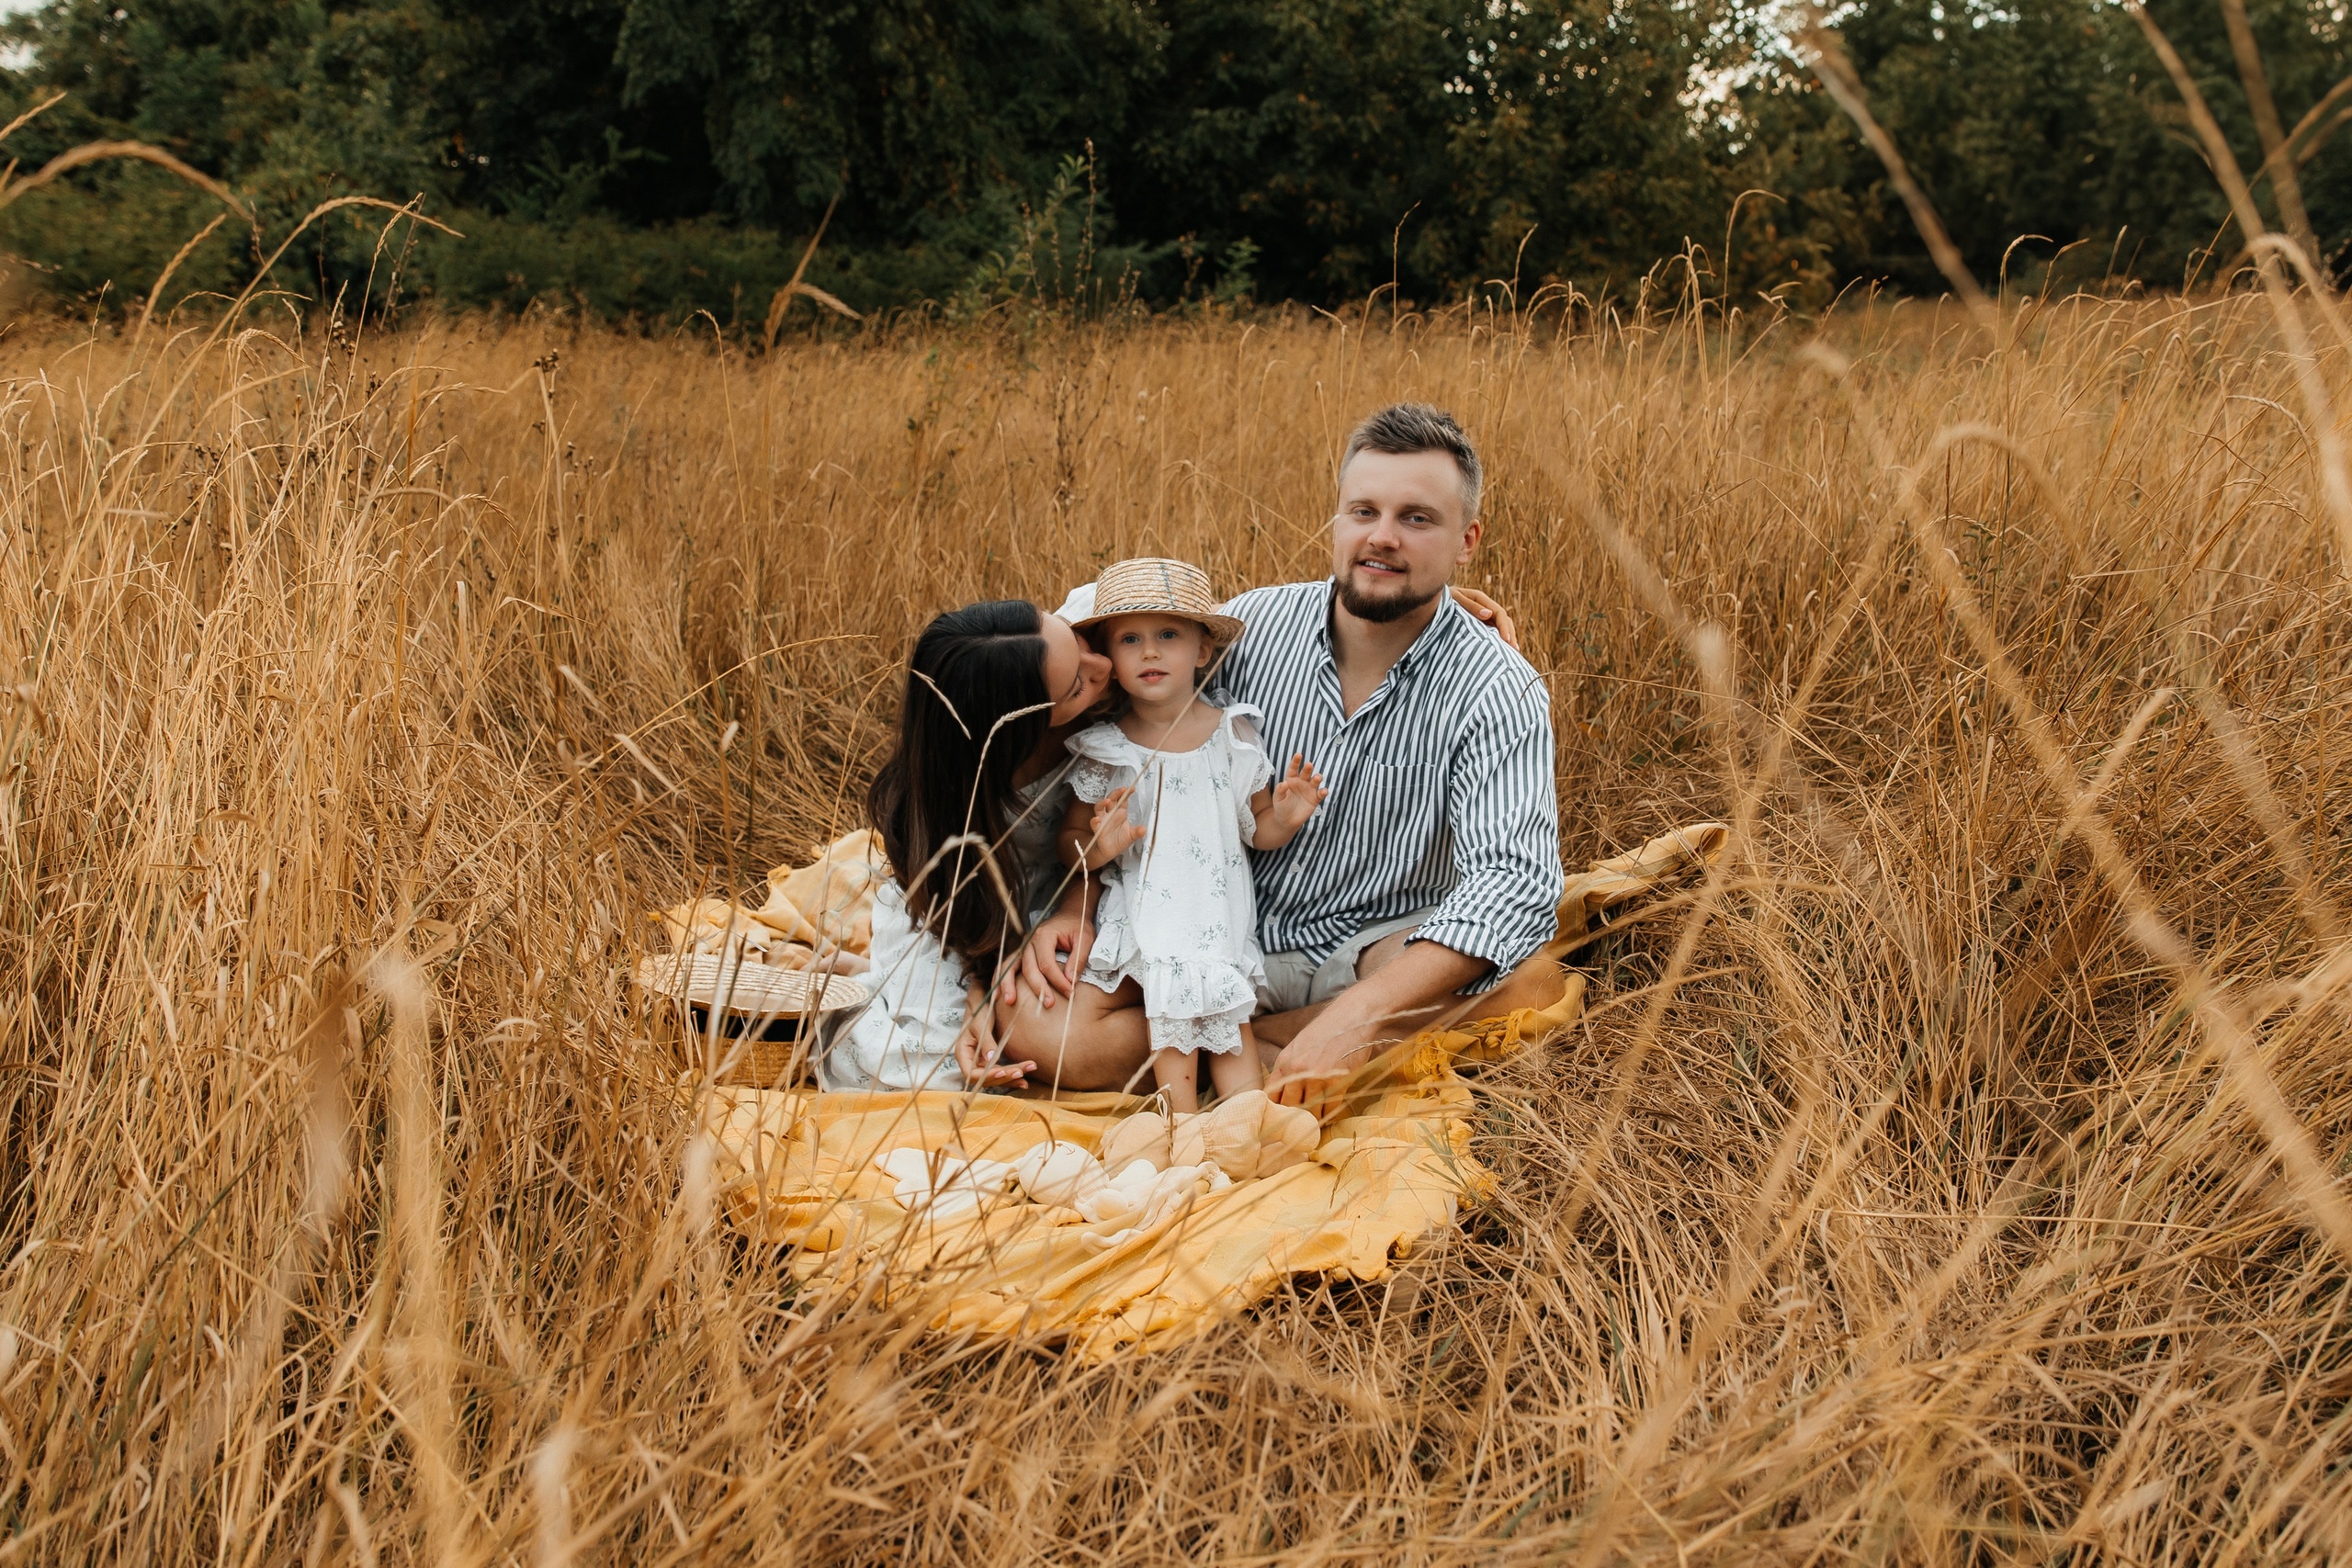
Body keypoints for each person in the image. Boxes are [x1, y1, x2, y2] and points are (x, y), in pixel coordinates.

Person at [977, 403, 1566, 1113]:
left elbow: (1514, 881)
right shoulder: (1252, 629)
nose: (1381, 538)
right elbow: (1109, 668)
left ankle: (1250, 1044)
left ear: (1466, 540)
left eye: (1418, 519)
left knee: (1532, 982)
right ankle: (1266, 1049)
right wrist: (1070, 901)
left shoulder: (1497, 686)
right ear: (1337, 518)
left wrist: (1359, 1011)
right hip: (1218, 925)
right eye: (1363, 511)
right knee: (1038, 1023)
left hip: (1370, 953)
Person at [1055, 558, 1328, 1111]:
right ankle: (1183, 1132)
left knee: (1228, 1018)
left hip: (1214, 912)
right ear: (1111, 657)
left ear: (1202, 651)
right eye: (1130, 639)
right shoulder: (1108, 749)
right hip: (1145, 915)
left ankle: (1247, 1125)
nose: (1150, 652)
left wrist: (1286, 816)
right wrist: (1097, 847)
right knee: (1169, 1008)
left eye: (1168, 636)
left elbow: (1257, 830)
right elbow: (1072, 842)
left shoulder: (1232, 733)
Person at [820, 600, 1109, 1091]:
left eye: (1076, 639)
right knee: (936, 1068)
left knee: (1028, 1036)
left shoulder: (1105, 628)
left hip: (1081, 894)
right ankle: (873, 975)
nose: (1104, 666)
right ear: (1020, 730)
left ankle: (872, 972)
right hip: (976, 912)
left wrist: (1076, 907)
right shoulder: (957, 788)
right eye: (1077, 685)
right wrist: (981, 981)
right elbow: (960, 898)